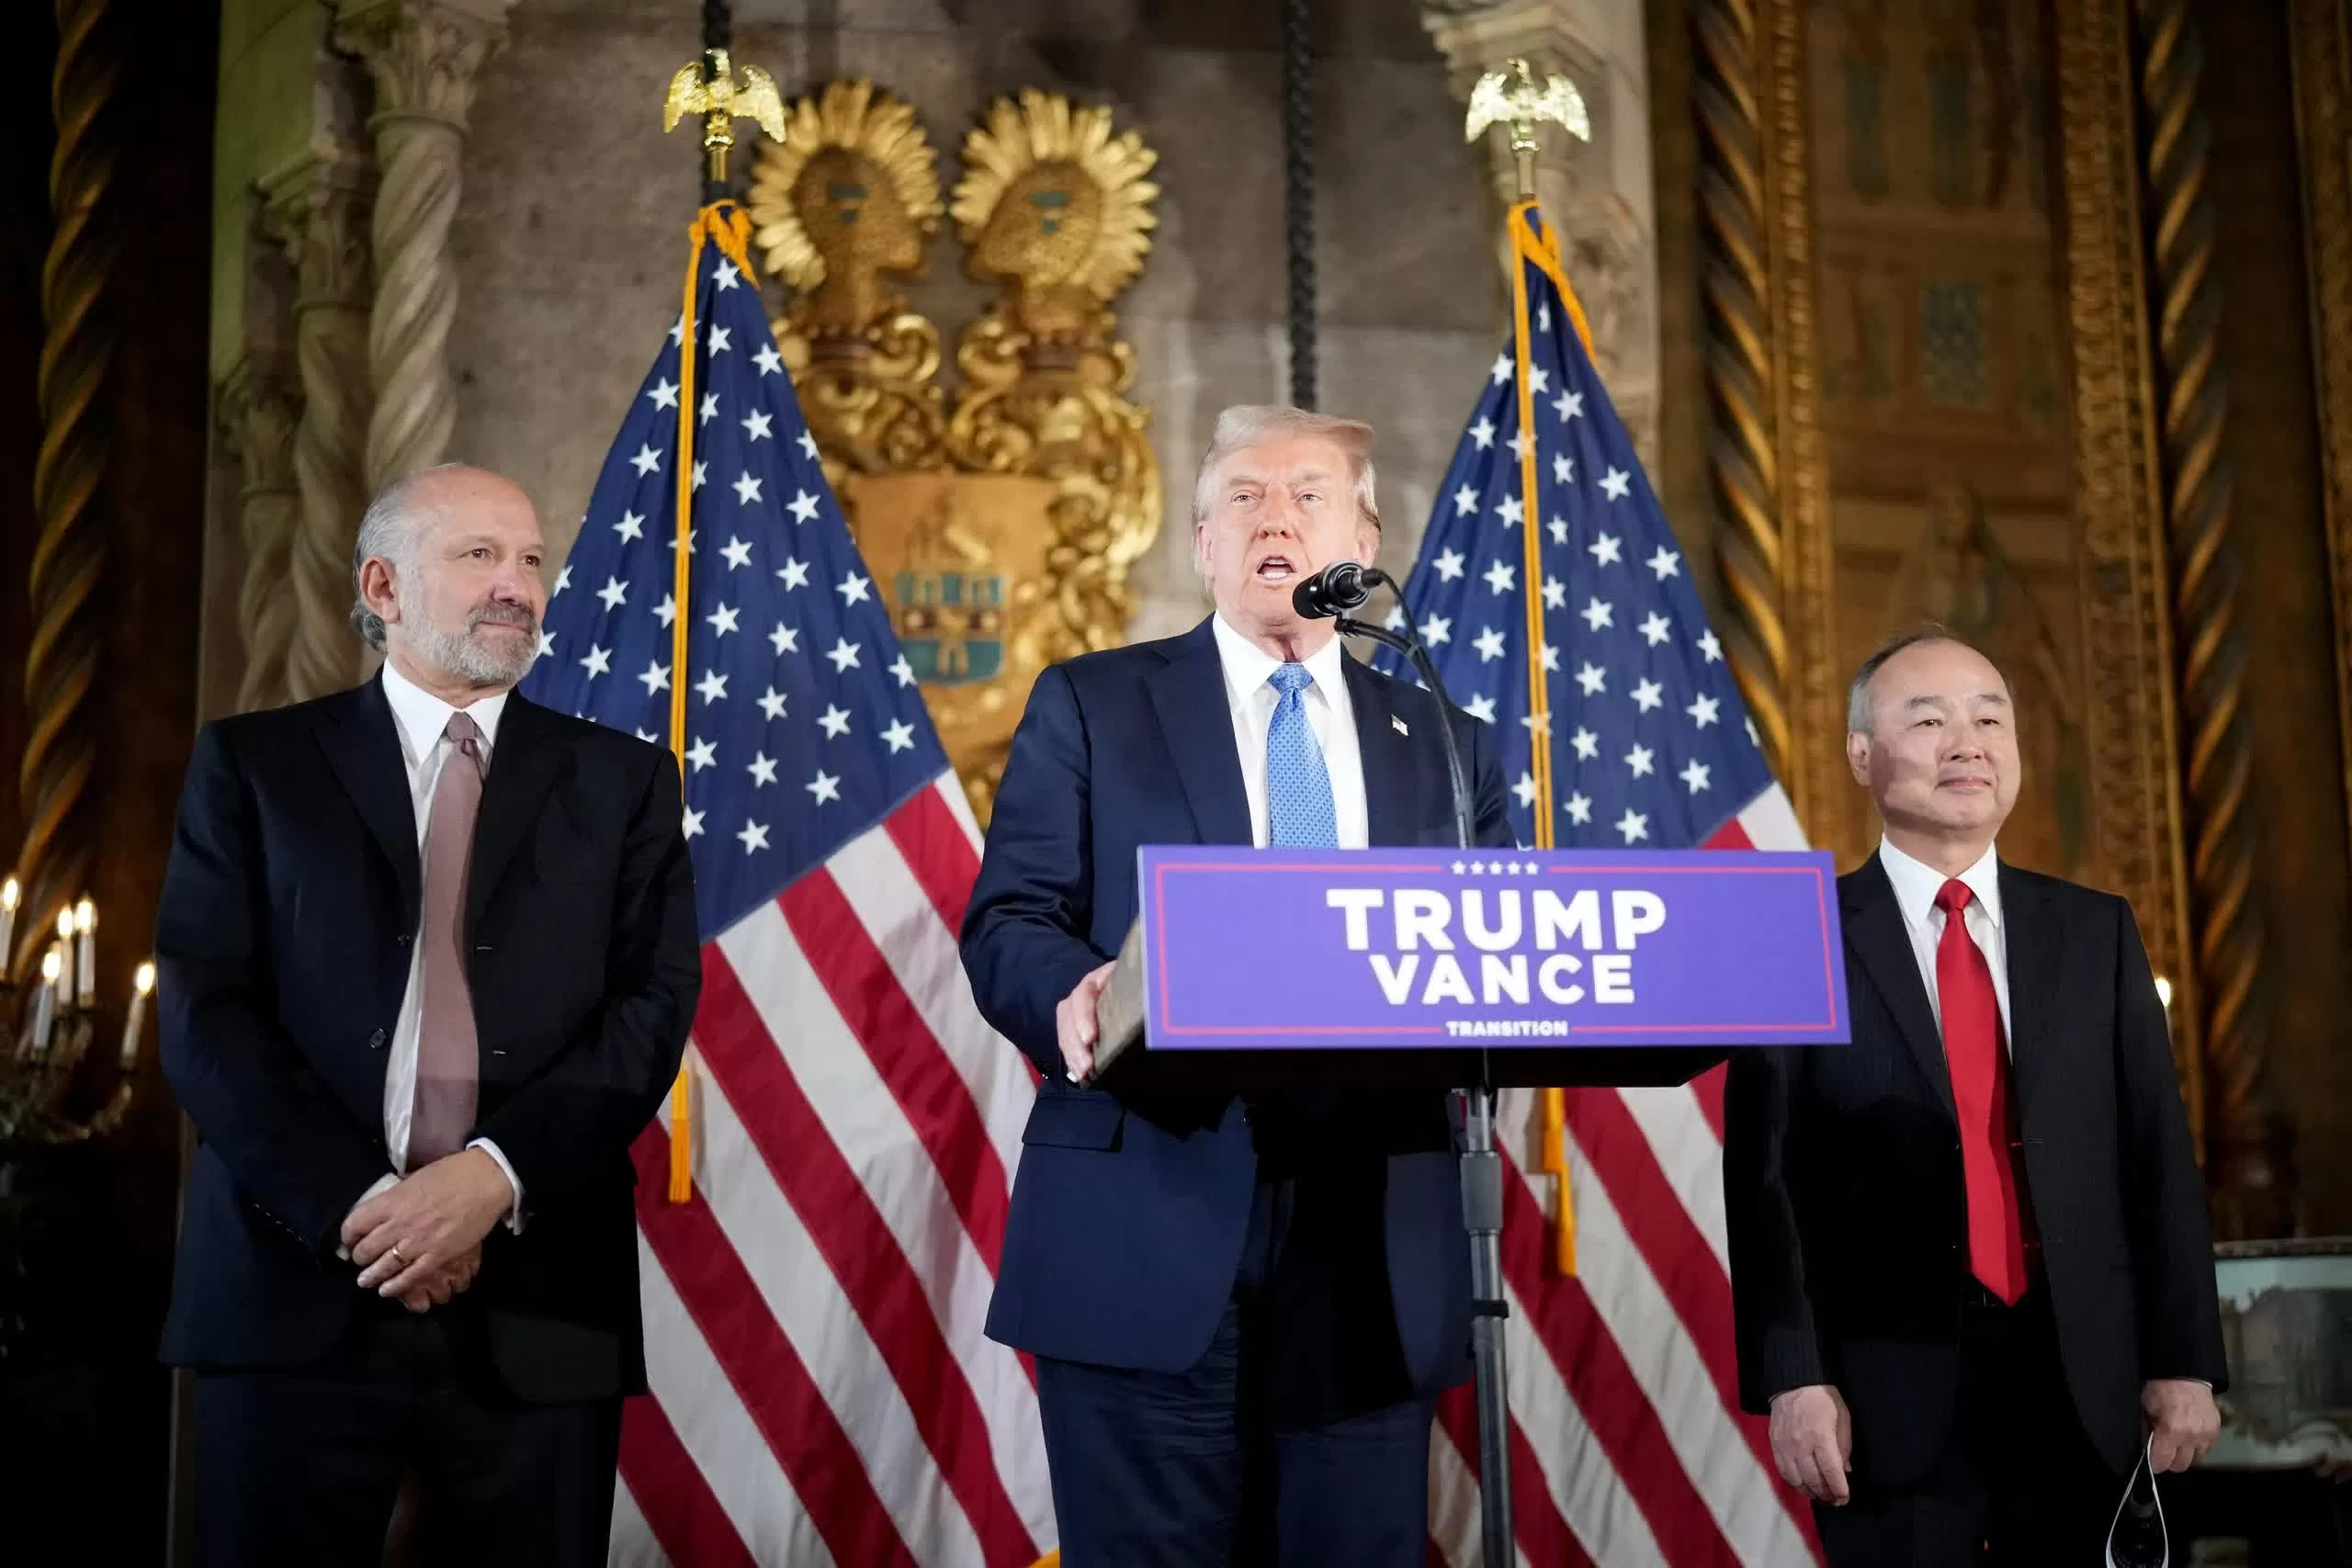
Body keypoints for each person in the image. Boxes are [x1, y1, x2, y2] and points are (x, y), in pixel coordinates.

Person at [962, 405, 1510, 1566]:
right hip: (1144, 1206)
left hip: (1371, 1233)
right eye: (1245, 499)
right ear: (1202, 546)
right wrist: (1074, 993)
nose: (1277, 519)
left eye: (1310, 495)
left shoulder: (1448, 744)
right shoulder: (1094, 703)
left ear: (1365, 537)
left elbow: (1496, 945)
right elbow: (1010, 918)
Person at [155, 464, 701, 1566]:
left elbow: (650, 1007)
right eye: (479, 556)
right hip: (293, 1283)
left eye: (533, 559)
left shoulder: (627, 781)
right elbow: (206, 1015)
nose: (517, 585)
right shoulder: (255, 766)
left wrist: (491, 1177)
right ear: (383, 586)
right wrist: (369, 1207)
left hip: (540, 1297)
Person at [1724, 626, 2227, 1563]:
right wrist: (1793, 1378)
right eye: (1929, 719)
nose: (1969, 742)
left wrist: (2186, 1358)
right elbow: (1766, 1189)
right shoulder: (1796, 936)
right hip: (1885, 1397)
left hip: (2084, 1383)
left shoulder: (2094, 933)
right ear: (1862, 757)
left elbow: (2157, 1158)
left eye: (1990, 717)